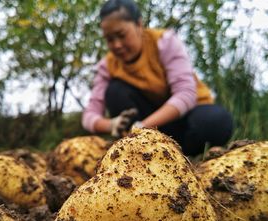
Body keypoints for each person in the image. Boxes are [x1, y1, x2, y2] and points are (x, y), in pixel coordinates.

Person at [82, 0, 233, 156]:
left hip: (185, 120)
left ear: (139, 24)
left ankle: (182, 157)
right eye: (109, 39)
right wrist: (111, 125)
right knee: (115, 91)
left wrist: (141, 128)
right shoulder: (107, 65)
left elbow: (186, 94)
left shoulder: (164, 42)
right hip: (148, 130)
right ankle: (142, 155)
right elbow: (89, 116)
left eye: (121, 35)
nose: (117, 45)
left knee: (216, 121)